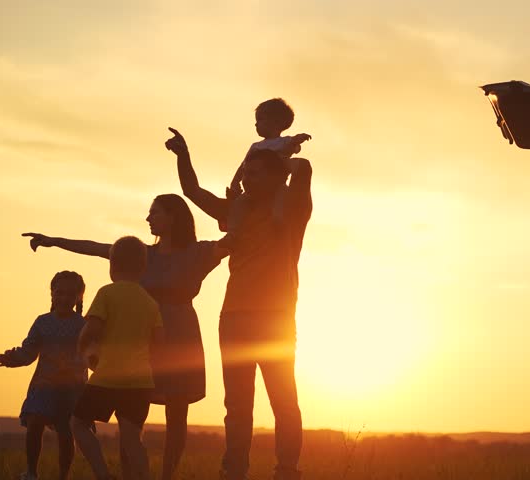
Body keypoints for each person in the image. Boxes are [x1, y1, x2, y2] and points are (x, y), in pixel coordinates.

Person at [22, 193, 227, 480]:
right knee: (128, 413)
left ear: (173, 217)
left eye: (154, 213)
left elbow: (239, 239)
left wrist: (241, 206)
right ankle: (129, 474)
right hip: (139, 338)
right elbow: (95, 247)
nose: (148, 218)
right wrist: (54, 240)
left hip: (181, 336)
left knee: (177, 414)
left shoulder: (199, 252)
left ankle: (167, 476)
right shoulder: (142, 254)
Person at [166, 127, 313, 480]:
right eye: (245, 171)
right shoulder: (236, 210)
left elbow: (304, 166)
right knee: (237, 405)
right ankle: (234, 471)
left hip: (276, 318)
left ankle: (287, 470)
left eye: (254, 172)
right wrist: (183, 155)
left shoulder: (293, 206)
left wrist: (279, 161)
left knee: (283, 400)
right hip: (234, 318)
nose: (245, 177)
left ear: (276, 176)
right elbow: (192, 192)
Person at [70, 236, 163, 480]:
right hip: (141, 382)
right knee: (132, 438)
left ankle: (103, 475)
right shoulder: (150, 303)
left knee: (78, 423)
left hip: (107, 378)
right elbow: (159, 343)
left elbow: (91, 331)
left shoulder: (107, 294)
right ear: (143, 268)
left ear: (112, 265)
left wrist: (85, 352)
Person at [0, 271, 89, 480]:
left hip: (71, 389)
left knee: (65, 432)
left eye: (70, 294)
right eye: (59, 293)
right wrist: (13, 359)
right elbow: (29, 352)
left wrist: (71, 367)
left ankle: (63, 475)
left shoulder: (83, 325)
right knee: (35, 421)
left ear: (78, 297)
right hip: (44, 384)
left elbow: (88, 356)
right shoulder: (42, 322)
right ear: (52, 294)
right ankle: (31, 472)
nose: (64, 298)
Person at [213, 98, 311, 243]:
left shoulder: (284, 142)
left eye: (260, 120)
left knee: (281, 199)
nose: (256, 124)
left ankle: (278, 223)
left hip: (277, 187)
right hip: (253, 189)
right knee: (239, 204)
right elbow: (243, 166)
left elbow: (292, 146)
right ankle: (232, 232)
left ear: (276, 122)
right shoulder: (256, 147)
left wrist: (298, 139)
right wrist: (235, 182)